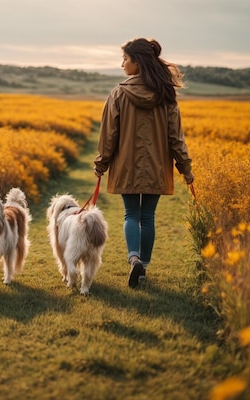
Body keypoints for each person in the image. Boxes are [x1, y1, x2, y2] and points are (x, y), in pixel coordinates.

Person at [93, 37, 194, 288]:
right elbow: (175, 138)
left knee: (131, 214)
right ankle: (143, 269)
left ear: (137, 62)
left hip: (125, 165)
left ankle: (134, 259)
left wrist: (101, 164)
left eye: (125, 59)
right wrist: (185, 168)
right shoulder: (166, 95)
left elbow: (109, 135)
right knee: (148, 217)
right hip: (157, 166)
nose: (122, 64)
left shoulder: (118, 93)